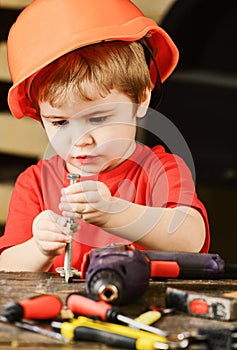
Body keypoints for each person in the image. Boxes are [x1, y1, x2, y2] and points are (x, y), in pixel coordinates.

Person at [0, 0, 209, 272]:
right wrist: (38, 248)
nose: (80, 140)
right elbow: (7, 269)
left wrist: (113, 212)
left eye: (98, 119)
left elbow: (192, 238)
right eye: (61, 122)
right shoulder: (36, 184)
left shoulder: (160, 170)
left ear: (141, 98)